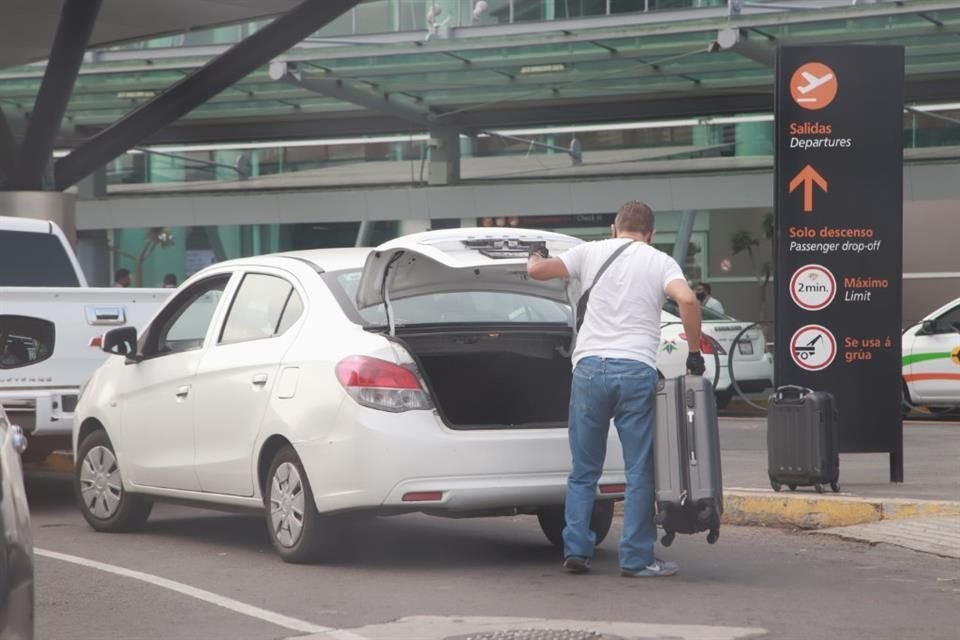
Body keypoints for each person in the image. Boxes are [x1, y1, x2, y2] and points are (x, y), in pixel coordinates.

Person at [527, 200, 704, 578]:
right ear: (651, 233)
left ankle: (576, 549)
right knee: (639, 468)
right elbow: (687, 299)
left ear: (614, 228)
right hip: (635, 370)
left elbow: (539, 271)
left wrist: (533, 255)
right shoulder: (659, 261)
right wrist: (693, 351)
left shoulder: (589, 252)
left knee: (584, 468)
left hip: (590, 369)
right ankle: (636, 559)